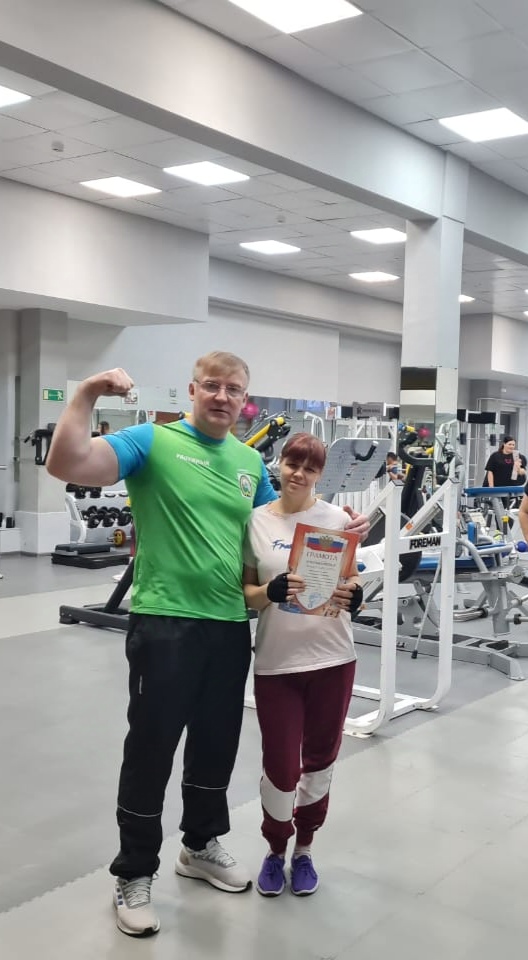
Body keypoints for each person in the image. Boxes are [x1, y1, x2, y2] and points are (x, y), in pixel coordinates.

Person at [46, 352, 370, 938]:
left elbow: (283, 521)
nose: (223, 396)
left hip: (229, 625)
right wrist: (88, 391)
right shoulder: (152, 441)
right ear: (194, 390)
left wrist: (339, 524)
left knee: (215, 746)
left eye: (234, 389)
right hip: (165, 621)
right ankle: (134, 871)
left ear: (245, 401)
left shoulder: (248, 462)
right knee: (152, 749)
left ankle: (198, 845)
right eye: (212, 386)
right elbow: (65, 462)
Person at [242, 433, 363, 898]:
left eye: (310, 468)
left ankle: (305, 848)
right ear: (280, 463)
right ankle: (275, 848)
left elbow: (350, 578)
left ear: (320, 474)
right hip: (277, 663)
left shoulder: (337, 520)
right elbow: (246, 594)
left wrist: (355, 595)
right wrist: (268, 593)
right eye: (293, 463)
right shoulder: (255, 521)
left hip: (333, 657)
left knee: (320, 761)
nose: (299, 474)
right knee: (280, 767)